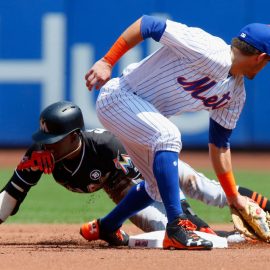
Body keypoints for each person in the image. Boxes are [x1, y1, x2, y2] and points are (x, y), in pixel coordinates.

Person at [84, 15, 270, 249]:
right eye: (268, 61)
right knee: (168, 135)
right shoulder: (208, 48)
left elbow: (220, 146)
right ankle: (177, 225)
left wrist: (233, 196)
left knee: (155, 188)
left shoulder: (235, 94)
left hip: (141, 113)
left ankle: (107, 226)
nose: (266, 66)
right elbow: (147, 24)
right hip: (119, 97)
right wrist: (107, 61)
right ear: (260, 57)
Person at [1, 101, 269, 242]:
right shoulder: (38, 156)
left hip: (152, 164)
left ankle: (265, 207)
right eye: (44, 138)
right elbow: (8, 200)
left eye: (53, 140)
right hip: (120, 188)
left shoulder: (105, 146)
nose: (46, 145)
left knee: (206, 189)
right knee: (161, 227)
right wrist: (20, 178)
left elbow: (154, 183)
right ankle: (228, 239)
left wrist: (185, 211)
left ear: (74, 137)